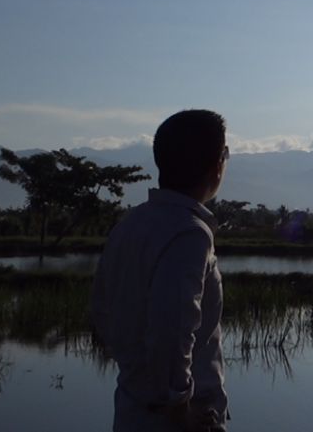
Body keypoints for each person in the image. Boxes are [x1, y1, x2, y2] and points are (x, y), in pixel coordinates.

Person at [91, 109, 230, 432]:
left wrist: (138, 374)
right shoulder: (189, 234)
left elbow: (101, 311)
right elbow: (173, 327)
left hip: (132, 408)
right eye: (225, 153)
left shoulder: (132, 223)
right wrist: (178, 408)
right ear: (216, 164)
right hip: (181, 419)